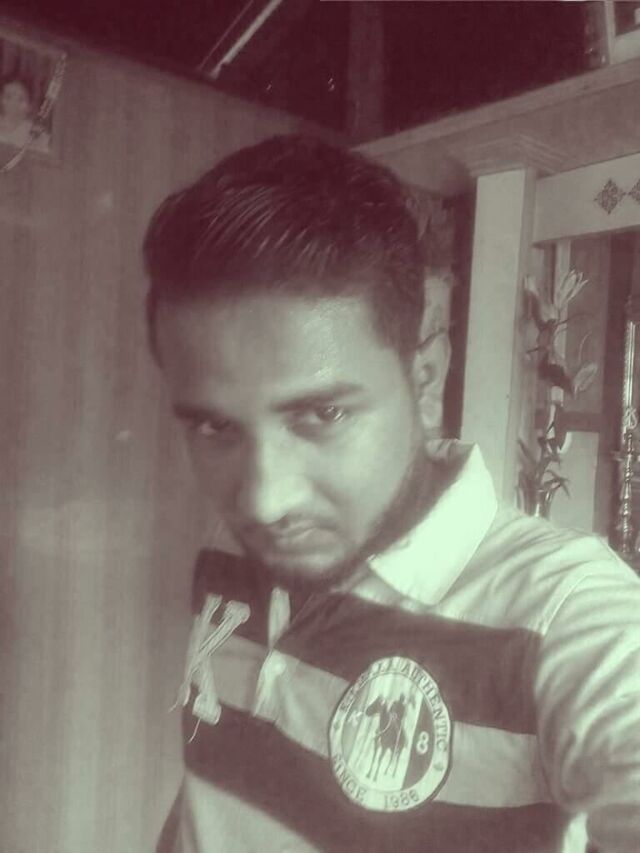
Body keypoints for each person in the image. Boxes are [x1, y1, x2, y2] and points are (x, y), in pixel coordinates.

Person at [144, 135, 640, 853]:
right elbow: (211, 799)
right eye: (215, 426)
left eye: (323, 414)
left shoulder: (567, 616)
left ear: (426, 379)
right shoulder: (231, 549)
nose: (264, 500)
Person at [0, 74, 49, 152]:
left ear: (30, 105)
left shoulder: (35, 134)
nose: (13, 103)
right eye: (8, 97)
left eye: (21, 99)